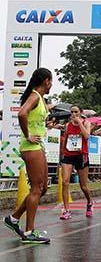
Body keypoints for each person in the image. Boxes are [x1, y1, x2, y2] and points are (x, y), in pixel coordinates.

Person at [3, 68, 52, 244]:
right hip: (31, 146)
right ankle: (29, 231)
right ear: (46, 81)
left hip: (37, 146)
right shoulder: (34, 95)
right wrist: (28, 134)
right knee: (37, 189)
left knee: (43, 188)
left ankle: (14, 219)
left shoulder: (39, 98)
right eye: (51, 81)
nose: (51, 85)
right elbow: (22, 113)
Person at [60, 105, 93, 220]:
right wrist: (63, 152)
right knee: (65, 182)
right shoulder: (67, 125)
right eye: (72, 112)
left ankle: (89, 203)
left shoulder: (86, 123)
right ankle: (66, 210)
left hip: (81, 155)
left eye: (76, 112)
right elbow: (65, 138)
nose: (74, 114)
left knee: (83, 186)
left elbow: (87, 136)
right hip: (69, 155)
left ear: (81, 112)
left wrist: (79, 123)